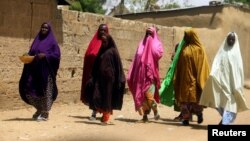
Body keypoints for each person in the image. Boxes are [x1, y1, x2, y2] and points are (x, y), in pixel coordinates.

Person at [199, 32, 249, 125]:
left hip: (233, 85)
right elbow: (216, 65)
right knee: (222, 102)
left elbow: (239, 71)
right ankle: (225, 121)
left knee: (231, 105)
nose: (231, 41)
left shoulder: (236, 54)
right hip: (222, 83)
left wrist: (237, 85)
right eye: (229, 39)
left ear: (235, 41)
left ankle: (225, 122)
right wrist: (213, 75)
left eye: (233, 39)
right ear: (226, 39)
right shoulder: (222, 52)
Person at [19, 22, 61, 121]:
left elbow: (56, 56)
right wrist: (27, 55)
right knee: (29, 90)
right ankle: (39, 109)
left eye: (46, 28)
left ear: (49, 30)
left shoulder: (52, 43)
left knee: (45, 92)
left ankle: (45, 113)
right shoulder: (37, 40)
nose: (43, 29)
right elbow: (32, 52)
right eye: (42, 27)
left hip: (46, 73)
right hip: (34, 71)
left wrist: (46, 56)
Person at [84, 34, 125, 125]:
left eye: (105, 41)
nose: (103, 43)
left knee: (107, 97)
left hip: (110, 80)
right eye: (102, 42)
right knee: (97, 96)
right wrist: (92, 77)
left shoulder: (113, 52)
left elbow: (118, 66)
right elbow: (95, 65)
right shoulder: (101, 51)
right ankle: (103, 113)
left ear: (109, 41)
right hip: (100, 79)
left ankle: (106, 117)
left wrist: (120, 78)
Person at [173, 28, 210, 125]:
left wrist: (201, 78)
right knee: (184, 100)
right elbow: (179, 64)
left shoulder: (199, 49)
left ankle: (199, 114)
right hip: (184, 79)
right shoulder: (184, 48)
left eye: (186, 35)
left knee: (194, 100)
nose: (185, 37)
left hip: (195, 79)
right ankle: (185, 119)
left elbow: (202, 65)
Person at [127, 26, 164, 122]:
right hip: (140, 76)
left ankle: (155, 111)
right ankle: (145, 117)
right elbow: (136, 59)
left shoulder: (157, 45)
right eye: (147, 33)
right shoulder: (140, 45)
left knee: (149, 98)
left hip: (150, 76)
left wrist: (151, 44)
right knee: (142, 98)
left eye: (150, 34)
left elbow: (159, 54)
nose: (148, 36)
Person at [80, 24, 109, 120]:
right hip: (94, 73)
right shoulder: (94, 42)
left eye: (104, 30)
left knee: (102, 93)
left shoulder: (108, 43)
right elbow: (88, 55)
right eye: (100, 30)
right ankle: (94, 112)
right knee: (94, 92)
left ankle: (104, 112)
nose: (102, 32)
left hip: (104, 73)